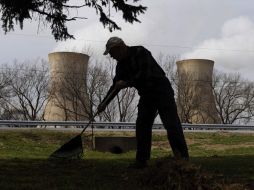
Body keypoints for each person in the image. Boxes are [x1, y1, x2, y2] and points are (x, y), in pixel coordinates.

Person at [98, 37, 189, 168]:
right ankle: (142, 161)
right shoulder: (121, 66)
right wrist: (104, 104)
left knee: (171, 124)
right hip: (147, 95)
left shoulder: (140, 52)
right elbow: (115, 87)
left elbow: (144, 74)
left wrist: (127, 83)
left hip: (161, 90)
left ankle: (182, 158)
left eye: (112, 54)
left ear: (120, 47)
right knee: (142, 126)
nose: (112, 57)